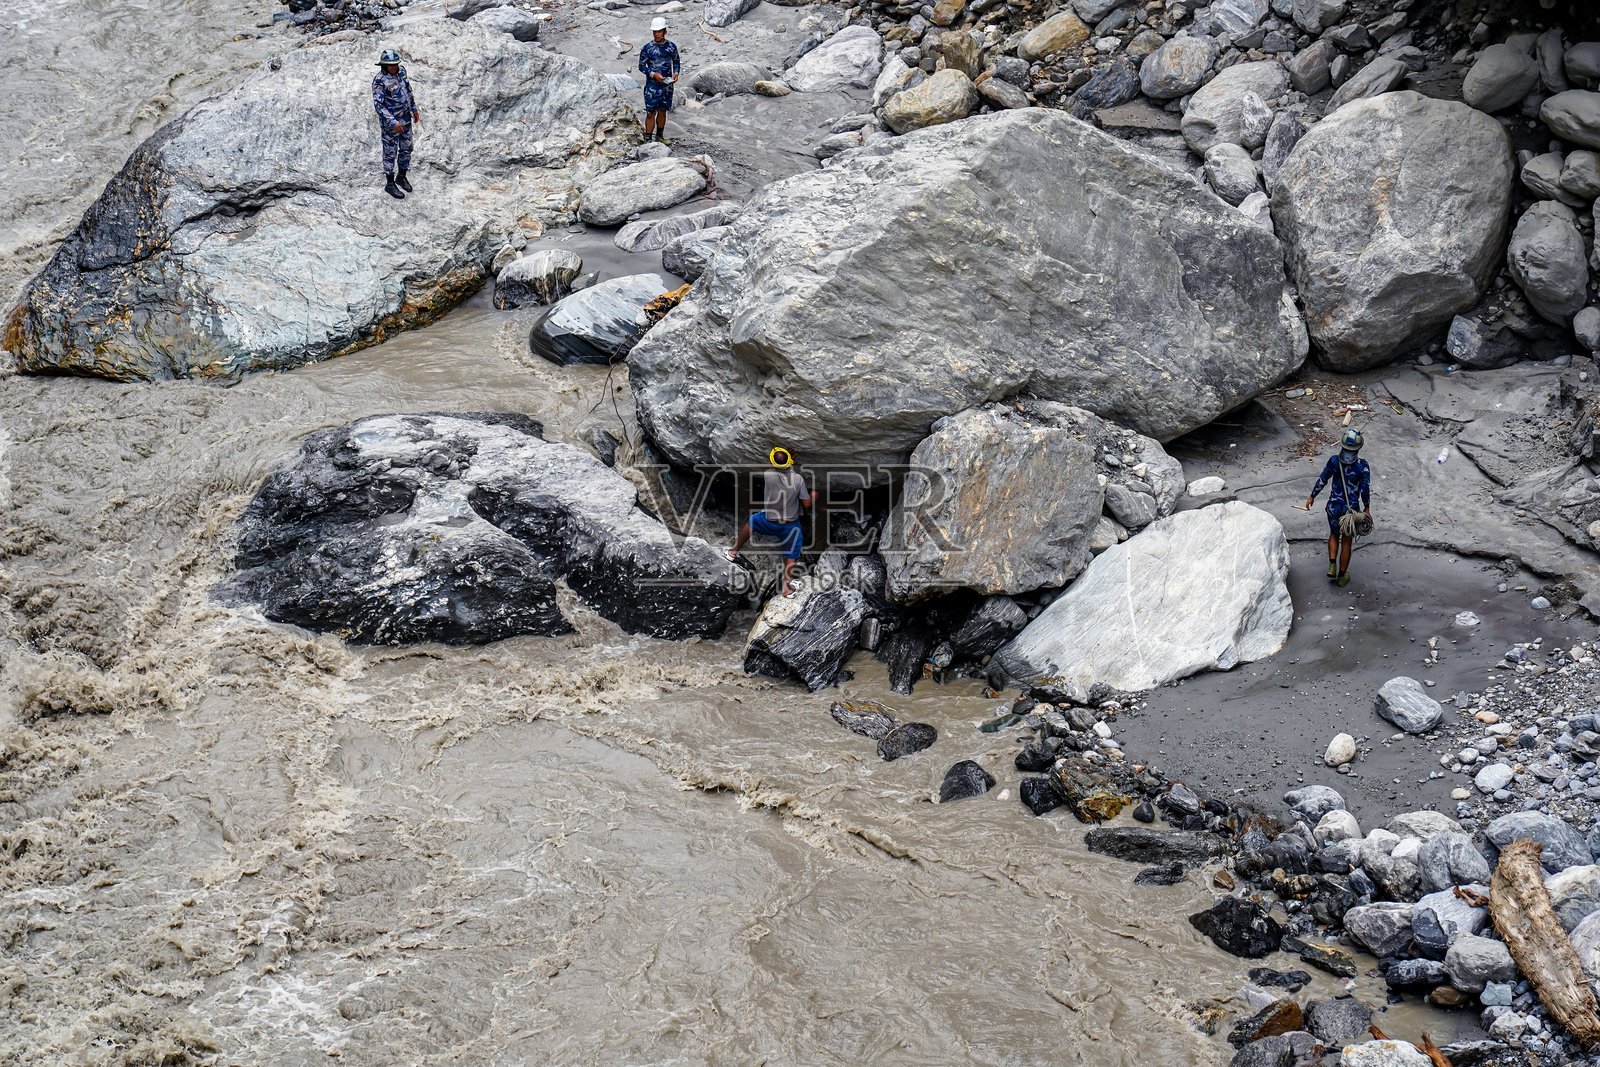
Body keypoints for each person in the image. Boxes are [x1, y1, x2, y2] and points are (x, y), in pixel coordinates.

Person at [727, 448, 811, 597]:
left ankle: (733, 552)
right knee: (792, 552)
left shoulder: (768, 475)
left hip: (768, 521)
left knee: (752, 521)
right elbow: (806, 504)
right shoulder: (798, 479)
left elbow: (776, 466)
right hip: (789, 525)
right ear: (790, 462)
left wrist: (787, 459)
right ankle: (786, 587)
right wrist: (814, 496)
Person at [1305, 428, 1371, 588]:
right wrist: (1367, 507)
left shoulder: (1334, 461)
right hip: (1351, 510)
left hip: (1333, 506)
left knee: (1334, 535)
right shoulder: (1362, 467)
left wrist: (1312, 496)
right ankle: (1342, 576)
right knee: (1347, 542)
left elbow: (1323, 479)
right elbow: (1365, 489)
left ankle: (1332, 564)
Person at [372, 49, 420, 200]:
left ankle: (402, 176)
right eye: (390, 65)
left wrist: (414, 109)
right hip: (391, 124)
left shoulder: (401, 72)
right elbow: (379, 105)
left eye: (395, 64)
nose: (394, 67)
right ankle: (390, 183)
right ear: (384, 66)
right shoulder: (380, 80)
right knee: (390, 152)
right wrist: (393, 122)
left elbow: (408, 92)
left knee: (407, 148)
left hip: (405, 119)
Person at [637, 18, 680, 144]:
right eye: (654, 31)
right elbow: (641, 66)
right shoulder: (647, 48)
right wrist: (653, 74)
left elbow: (676, 61)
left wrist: (676, 74)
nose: (656, 34)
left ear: (665, 31)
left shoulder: (671, 47)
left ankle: (660, 136)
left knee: (662, 111)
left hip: (667, 86)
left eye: (659, 31)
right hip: (652, 87)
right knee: (650, 113)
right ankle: (648, 138)